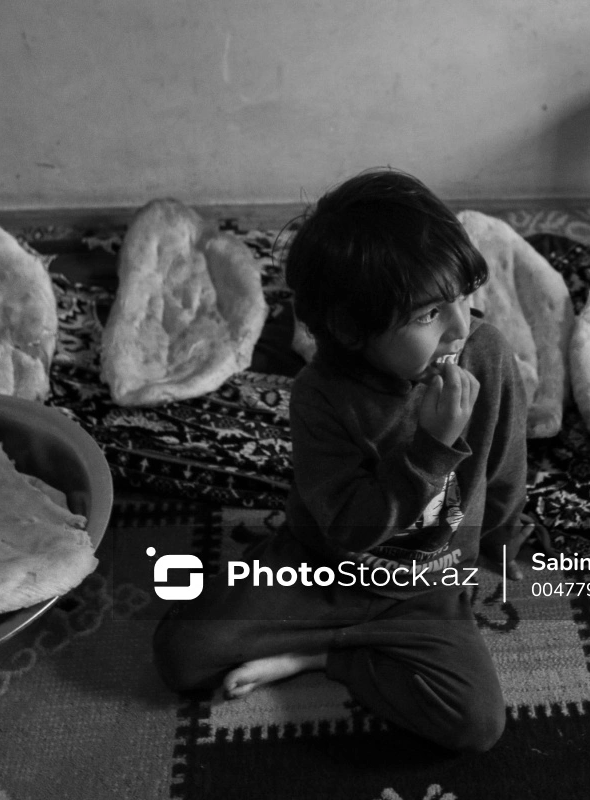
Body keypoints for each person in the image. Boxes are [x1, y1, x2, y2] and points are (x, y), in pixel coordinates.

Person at [152, 168, 530, 753]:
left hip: (427, 586)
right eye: (429, 315)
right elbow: (347, 531)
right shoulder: (321, 395)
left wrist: (502, 544)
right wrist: (430, 450)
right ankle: (329, 637)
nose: (459, 327)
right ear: (353, 330)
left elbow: (502, 465)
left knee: (476, 725)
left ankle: (319, 656)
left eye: (463, 298)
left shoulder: (486, 354)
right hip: (323, 569)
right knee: (181, 656)